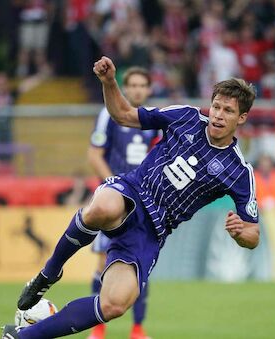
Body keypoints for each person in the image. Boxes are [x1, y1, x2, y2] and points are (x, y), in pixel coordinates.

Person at [1, 56, 260, 338]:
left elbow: (253, 234)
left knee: (114, 304)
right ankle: (49, 272)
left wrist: (240, 234)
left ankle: (22, 336)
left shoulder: (239, 172)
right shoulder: (185, 116)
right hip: (133, 192)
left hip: (153, 230)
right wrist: (109, 82)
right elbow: (123, 114)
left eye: (228, 111)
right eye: (216, 106)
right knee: (102, 207)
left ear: (242, 118)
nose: (218, 115)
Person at [86, 66, 159, 339]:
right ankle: (98, 328)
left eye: (143, 85)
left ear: (149, 89)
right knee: (103, 262)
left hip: (144, 205)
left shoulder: (155, 121)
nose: (138, 89)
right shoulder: (109, 114)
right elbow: (95, 156)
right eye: (133, 85)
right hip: (115, 202)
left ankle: (138, 329)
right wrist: (114, 187)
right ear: (125, 88)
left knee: (141, 263)